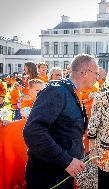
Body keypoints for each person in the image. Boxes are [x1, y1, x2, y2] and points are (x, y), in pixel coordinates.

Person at [23, 54, 98, 189]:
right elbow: (33, 131)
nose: (97, 77)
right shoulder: (57, 91)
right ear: (85, 72)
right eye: (96, 73)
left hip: (61, 172)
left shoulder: (72, 92)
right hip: (47, 175)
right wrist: (66, 160)